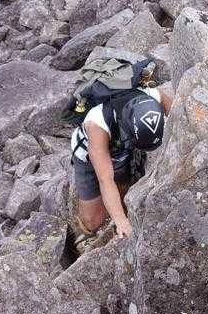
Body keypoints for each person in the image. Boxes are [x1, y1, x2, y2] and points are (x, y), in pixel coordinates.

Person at [71, 81, 174, 244]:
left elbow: (181, 118)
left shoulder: (154, 95)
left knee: (124, 196)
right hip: (89, 154)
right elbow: (106, 179)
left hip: (124, 148)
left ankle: (117, 200)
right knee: (94, 221)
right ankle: (82, 231)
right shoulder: (97, 123)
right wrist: (121, 221)